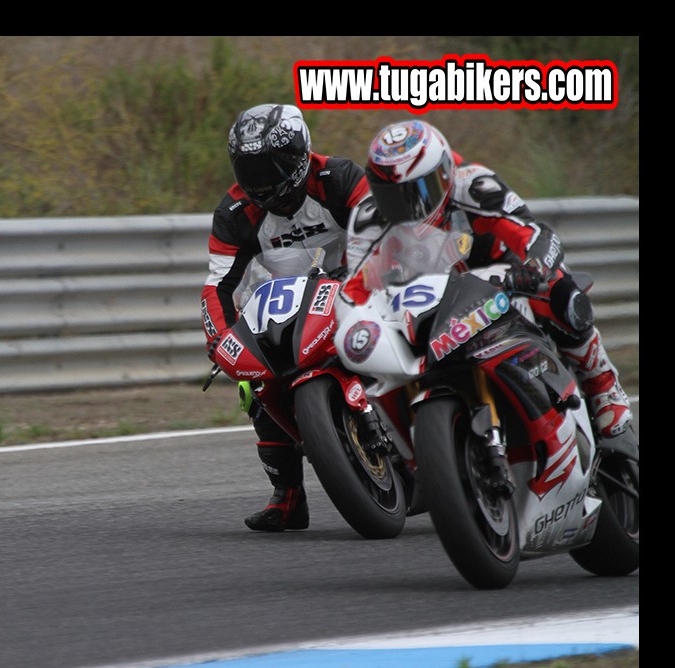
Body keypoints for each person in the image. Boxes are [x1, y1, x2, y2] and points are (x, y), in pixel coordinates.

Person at [346, 119, 633, 440]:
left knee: (560, 288)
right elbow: (357, 287)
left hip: (500, 277)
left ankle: (602, 384)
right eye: (393, 197)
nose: (408, 208)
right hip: (427, 303)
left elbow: (533, 234)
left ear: (443, 174)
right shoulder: (369, 218)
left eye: (418, 193)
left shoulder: (474, 185)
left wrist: (535, 267)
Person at [201, 103, 370, 532]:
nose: (261, 181)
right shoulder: (234, 214)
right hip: (290, 307)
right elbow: (217, 285)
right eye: (250, 170)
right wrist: (220, 337)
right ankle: (288, 496)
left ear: (298, 155)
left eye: (271, 167)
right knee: (253, 379)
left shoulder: (339, 177)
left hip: (359, 284)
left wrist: (363, 275)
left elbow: (381, 227)